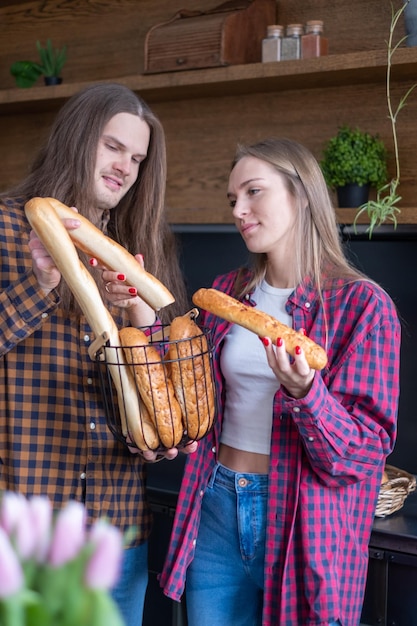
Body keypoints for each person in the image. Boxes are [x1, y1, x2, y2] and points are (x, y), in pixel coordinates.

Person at [160, 138, 401, 625]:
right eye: (233, 200)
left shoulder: (362, 307)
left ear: (302, 195)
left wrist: (306, 395)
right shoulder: (226, 291)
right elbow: (189, 388)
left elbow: (362, 456)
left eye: (253, 192)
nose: (240, 211)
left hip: (302, 521)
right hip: (215, 504)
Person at [0, 82, 191, 626]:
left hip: (117, 526)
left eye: (137, 158)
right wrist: (41, 283)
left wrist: (159, 437)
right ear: (78, 140)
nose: (125, 168)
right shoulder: (7, 228)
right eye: (113, 147)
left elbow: (161, 387)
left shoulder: (141, 253)